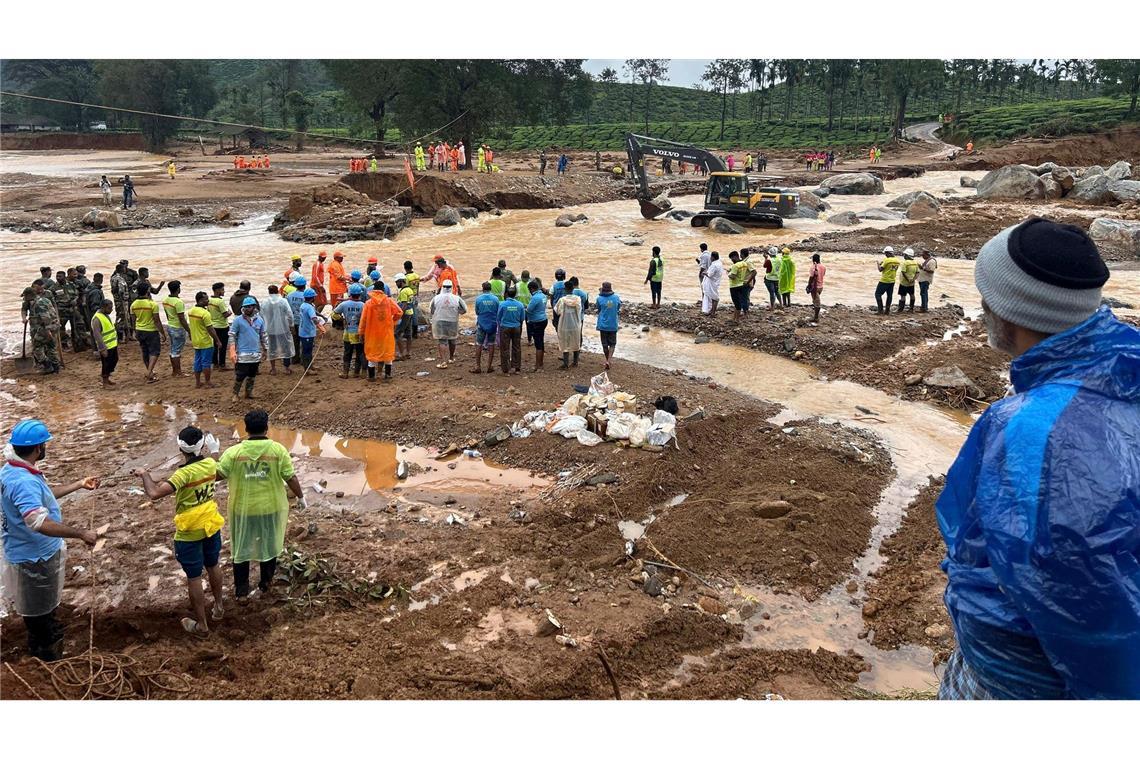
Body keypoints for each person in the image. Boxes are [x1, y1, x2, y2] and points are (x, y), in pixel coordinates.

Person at [937, 219, 1140, 700]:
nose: (982, 307)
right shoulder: (1122, 368)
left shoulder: (1030, 427)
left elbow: (1084, 606)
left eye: (986, 295)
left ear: (1009, 310)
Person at [1, 420, 99, 661]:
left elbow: (41, 496)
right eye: (44, 444)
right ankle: (46, 656)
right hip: (34, 556)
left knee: (42, 608)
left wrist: (77, 484)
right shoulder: (23, 481)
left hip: (28, 551)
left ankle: (45, 639)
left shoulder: (13, 470)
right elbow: (38, 522)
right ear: (37, 448)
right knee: (39, 615)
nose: (45, 448)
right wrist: (81, 533)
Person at [133, 426, 225, 635]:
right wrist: (215, 450)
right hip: (210, 524)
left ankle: (202, 625)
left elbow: (154, 493)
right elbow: (217, 465)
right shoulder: (210, 464)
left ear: (180, 448)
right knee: (213, 565)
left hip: (189, 531)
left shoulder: (182, 474)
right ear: (202, 445)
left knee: (194, 578)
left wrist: (144, 474)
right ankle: (219, 607)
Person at [216, 410, 306, 603]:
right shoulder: (277, 450)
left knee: (241, 547)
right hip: (270, 508)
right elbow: (290, 477)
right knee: (269, 545)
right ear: (267, 428)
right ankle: (265, 584)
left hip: (242, 509)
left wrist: (213, 455)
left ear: (246, 429)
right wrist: (300, 496)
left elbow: (218, 475)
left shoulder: (234, 452)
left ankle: (241, 592)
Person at [357, 280, 403, 381]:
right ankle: (387, 375)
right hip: (386, 332)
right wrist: (392, 321)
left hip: (372, 333)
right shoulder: (389, 301)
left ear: (373, 289)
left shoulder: (368, 303)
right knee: (387, 353)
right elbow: (399, 312)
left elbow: (363, 320)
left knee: (372, 354)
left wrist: (361, 333)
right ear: (383, 290)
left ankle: (372, 376)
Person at [229, 297, 267, 402]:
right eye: (245, 307)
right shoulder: (237, 321)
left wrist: (265, 349)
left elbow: (263, 335)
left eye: (249, 307)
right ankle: (235, 394)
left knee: (252, 374)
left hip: (255, 352)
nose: (247, 309)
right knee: (240, 375)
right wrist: (232, 350)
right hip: (242, 353)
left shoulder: (259, 320)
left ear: (254, 307)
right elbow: (232, 335)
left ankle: (248, 392)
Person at [131, 283, 164, 383]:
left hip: (139, 330)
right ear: (147, 291)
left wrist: (134, 331)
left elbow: (133, 319)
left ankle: (149, 371)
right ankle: (149, 372)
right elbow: (157, 320)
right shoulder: (152, 304)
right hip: (151, 331)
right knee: (154, 352)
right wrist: (162, 332)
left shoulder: (133, 304)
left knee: (145, 351)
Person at [187, 292, 221, 389]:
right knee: (206, 362)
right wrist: (217, 340)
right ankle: (207, 382)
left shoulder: (191, 311)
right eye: (206, 299)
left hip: (195, 340)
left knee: (197, 361)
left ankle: (198, 382)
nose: (208, 301)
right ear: (201, 301)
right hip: (205, 341)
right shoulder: (205, 313)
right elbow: (210, 329)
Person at [429, 281, 466, 368]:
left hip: (440, 321)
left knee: (442, 341)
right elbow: (464, 310)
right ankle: (451, 358)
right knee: (452, 340)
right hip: (452, 321)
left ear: (442, 287)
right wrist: (456, 312)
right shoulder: (457, 298)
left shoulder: (436, 298)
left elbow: (431, 310)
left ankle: (443, 362)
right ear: (452, 287)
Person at [28, 280, 62, 375]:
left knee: (36, 346)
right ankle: (56, 367)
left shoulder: (38, 304)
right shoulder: (45, 299)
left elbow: (45, 318)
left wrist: (47, 331)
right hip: (54, 325)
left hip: (47, 328)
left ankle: (48, 365)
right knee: (51, 347)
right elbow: (53, 311)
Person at [260, 285, 295, 375]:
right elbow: (290, 314)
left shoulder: (264, 302)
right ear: (278, 291)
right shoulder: (283, 301)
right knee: (286, 348)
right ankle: (287, 369)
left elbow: (261, 316)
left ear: (269, 292)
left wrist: (263, 328)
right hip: (283, 328)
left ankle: (273, 369)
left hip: (270, 329)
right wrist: (291, 325)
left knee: (272, 348)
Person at [334, 283, 366, 378]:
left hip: (348, 332)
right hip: (359, 332)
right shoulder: (363, 305)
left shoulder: (344, 304)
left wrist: (342, 319)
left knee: (347, 352)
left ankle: (345, 373)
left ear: (350, 294)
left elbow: (334, 315)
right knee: (360, 352)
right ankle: (358, 372)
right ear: (359, 294)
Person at [162, 280, 190, 378]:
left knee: (173, 349)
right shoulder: (178, 302)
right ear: (178, 289)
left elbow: (167, 314)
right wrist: (189, 330)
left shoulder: (165, 300)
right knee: (176, 351)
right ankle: (178, 372)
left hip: (170, 326)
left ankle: (175, 371)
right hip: (178, 328)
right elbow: (181, 318)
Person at [497, 286, 526, 375]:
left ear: (506, 294)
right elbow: (522, 318)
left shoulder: (502, 304)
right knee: (516, 347)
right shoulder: (520, 304)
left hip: (505, 327)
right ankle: (516, 367)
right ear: (515, 295)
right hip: (516, 327)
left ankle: (506, 369)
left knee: (505, 348)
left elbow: (498, 317)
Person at [472, 282, 500, 374]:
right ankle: (489, 366)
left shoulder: (479, 299)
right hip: (492, 323)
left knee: (479, 344)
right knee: (491, 344)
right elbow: (497, 311)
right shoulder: (495, 299)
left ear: (482, 289)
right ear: (490, 289)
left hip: (481, 324)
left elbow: (477, 311)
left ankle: (478, 366)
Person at [554, 284, 583, 369]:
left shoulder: (562, 300)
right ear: (573, 289)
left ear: (565, 289)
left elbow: (557, 311)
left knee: (564, 343)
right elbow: (580, 310)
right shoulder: (578, 299)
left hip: (564, 324)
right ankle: (575, 362)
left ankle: (565, 364)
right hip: (575, 324)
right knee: (576, 342)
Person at [595, 282, 621, 370]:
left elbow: (599, 309)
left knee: (604, 344)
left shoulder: (599, 298)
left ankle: (607, 360)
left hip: (603, 325)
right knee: (613, 344)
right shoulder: (616, 297)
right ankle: (609, 361)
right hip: (613, 324)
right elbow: (618, 307)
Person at [525, 276, 548, 372]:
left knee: (538, 344)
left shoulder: (535, 298)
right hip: (543, 319)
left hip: (536, 322)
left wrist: (524, 308)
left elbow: (529, 310)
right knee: (541, 342)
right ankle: (540, 364)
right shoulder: (543, 296)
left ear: (531, 289)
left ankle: (538, 366)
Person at [207, 283, 231, 371]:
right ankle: (222, 364)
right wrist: (229, 312)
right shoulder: (220, 301)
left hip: (213, 325)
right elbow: (225, 314)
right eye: (222, 289)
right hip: (222, 326)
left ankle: (215, 364)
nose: (223, 291)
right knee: (223, 346)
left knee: (214, 345)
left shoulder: (209, 300)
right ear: (217, 290)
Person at [298, 288, 321, 371]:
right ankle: (307, 369)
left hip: (303, 331)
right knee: (307, 351)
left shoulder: (303, 305)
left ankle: (310, 366)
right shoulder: (309, 307)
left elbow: (314, 313)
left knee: (308, 350)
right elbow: (314, 319)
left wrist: (323, 316)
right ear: (312, 298)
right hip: (307, 332)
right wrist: (321, 327)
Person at [394, 276, 416, 360]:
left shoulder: (403, 291)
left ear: (400, 281)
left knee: (397, 333)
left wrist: (399, 316)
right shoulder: (410, 289)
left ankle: (402, 353)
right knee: (408, 333)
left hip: (405, 314)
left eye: (397, 282)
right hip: (410, 313)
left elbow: (404, 304)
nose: (396, 284)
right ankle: (408, 352)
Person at [110, 262, 133, 342]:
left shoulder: (113, 277)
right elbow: (121, 291)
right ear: (121, 269)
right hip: (122, 301)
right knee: (122, 317)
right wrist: (123, 299)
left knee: (122, 317)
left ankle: (125, 336)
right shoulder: (119, 278)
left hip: (118, 300)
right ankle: (120, 337)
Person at [875, 245, 901, 315]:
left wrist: (878, 264)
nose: (885, 255)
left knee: (877, 294)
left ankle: (880, 310)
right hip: (892, 280)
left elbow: (880, 269)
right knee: (889, 296)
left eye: (886, 254)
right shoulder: (897, 260)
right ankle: (887, 310)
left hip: (884, 280)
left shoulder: (886, 260)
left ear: (888, 253)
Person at [727, 251, 749, 320]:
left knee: (737, 304)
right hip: (741, 284)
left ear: (735, 257)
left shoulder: (735, 266)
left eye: (732, 258)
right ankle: (734, 318)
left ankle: (736, 320)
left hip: (734, 286)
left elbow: (733, 276)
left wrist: (728, 274)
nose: (732, 260)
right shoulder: (744, 264)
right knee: (739, 302)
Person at [896, 248, 920, 313]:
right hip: (912, 283)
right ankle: (911, 308)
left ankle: (900, 309)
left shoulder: (905, 263)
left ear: (907, 255)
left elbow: (903, 272)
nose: (904, 256)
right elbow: (918, 272)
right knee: (912, 294)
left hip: (904, 282)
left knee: (903, 295)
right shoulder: (915, 262)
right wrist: (913, 279)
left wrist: (908, 279)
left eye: (905, 255)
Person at [702, 252, 724, 316]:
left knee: (714, 297)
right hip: (715, 282)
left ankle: (713, 312)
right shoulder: (719, 263)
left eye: (711, 257)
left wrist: (704, 273)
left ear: (713, 257)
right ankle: (711, 311)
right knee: (713, 296)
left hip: (712, 283)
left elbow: (710, 275)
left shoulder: (714, 265)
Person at [807, 254, 826, 323]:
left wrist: (809, 285)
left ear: (813, 260)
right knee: (816, 300)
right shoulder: (823, 267)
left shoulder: (813, 267)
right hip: (821, 286)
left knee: (816, 302)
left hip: (814, 287)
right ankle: (816, 315)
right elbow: (822, 275)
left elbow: (811, 277)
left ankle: (816, 318)